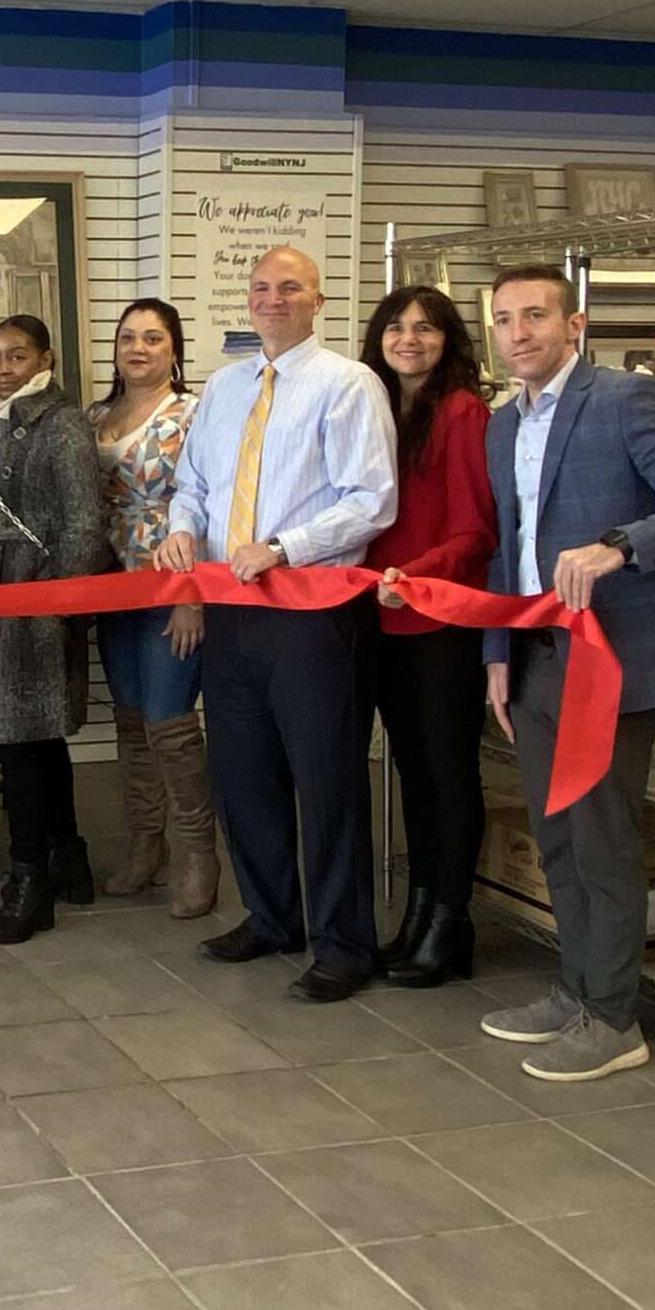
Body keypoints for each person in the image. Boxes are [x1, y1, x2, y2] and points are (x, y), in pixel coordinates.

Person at [480, 265, 655, 1080]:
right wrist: (498, 657)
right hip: (537, 658)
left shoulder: (624, 400)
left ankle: (614, 1020)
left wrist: (619, 544)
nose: (519, 333)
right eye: (504, 319)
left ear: (574, 324)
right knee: (558, 837)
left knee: (603, 839)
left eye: (536, 315)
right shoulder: (504, 425)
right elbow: (509, 549)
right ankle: (576, 990)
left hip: (615, 660)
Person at [159, 247, 397, 1002]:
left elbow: (370, 500)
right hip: (232, 608)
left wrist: (286, 548)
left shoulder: (348, 385)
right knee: (243, 772)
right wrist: (183, 530)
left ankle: (343, 942)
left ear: (318, 300)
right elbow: (193, 482)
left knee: (326, 777)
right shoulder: (225, 388)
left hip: (312, 610)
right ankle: (271, 917)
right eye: (261, 288)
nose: (272, 299)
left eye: (288, 287)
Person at [360, 286, 497, 989]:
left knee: (448, 772)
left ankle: (453, 921)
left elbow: (477, 529)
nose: (408, 338)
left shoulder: (462, 411)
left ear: (450, 340)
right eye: (396, 326)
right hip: (383, 618)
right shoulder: (377, 407)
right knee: (411, 771)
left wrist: (412, 574)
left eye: (426, 328)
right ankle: (419, 913)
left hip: (441, 619)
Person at [0, 316, 112, 946]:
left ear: (46, 359)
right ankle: (69, 858)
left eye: (17, 356)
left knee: (22, 742)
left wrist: (61, 604)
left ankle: (30, 879)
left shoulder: (63, 427)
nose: (4, 367)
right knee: (33, 737)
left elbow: (86, 524)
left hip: (41, 600)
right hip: (0, 597)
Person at [91, 298, 217, 921]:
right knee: (132, 722)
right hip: (110, 592)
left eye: (152, 338)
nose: (137, 348)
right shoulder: (95, 416)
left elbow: (211, 505)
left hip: (173, 591)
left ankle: (197, 853)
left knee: (171, 723)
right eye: (127, 338)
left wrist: (193, 592)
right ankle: (147, 846)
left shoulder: (195, 415)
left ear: (174, 350)